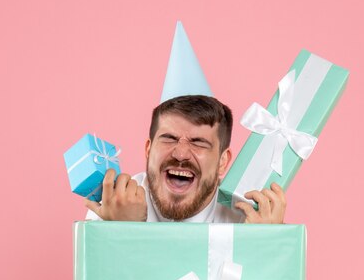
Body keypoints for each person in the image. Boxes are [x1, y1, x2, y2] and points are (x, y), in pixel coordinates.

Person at [84, 95, 286, 224]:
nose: (180, 154)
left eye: (199, 142)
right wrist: (120, 232)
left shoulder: (247, 217)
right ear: (148, 149)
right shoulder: (115, 204)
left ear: (222, 162)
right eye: (169, 138)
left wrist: (268, 242)